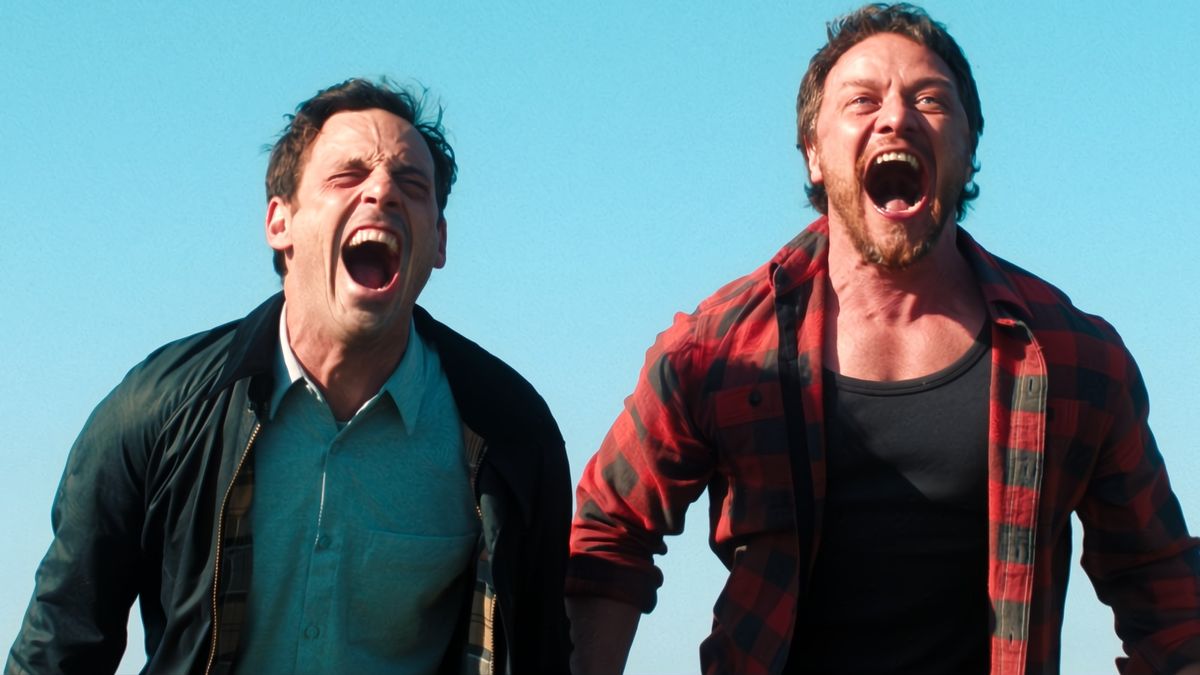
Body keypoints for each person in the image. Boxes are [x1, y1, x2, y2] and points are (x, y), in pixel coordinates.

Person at [565, 4, 1200, 674]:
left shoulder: (1076, 356)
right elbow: (608, 532)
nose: (896, 117)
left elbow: (1161, 586)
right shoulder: (717, 349)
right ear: (814, 154)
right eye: (862, 100)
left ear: (969, 148)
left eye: (930, 99)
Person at [7, 78, 572, 675]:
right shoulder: (157, 411)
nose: (382, 190)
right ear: (280, 223)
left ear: (439, 241)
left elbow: (541, 651)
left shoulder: (511, 436)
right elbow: (59, 645)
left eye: (412, 185)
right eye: (347, 176)